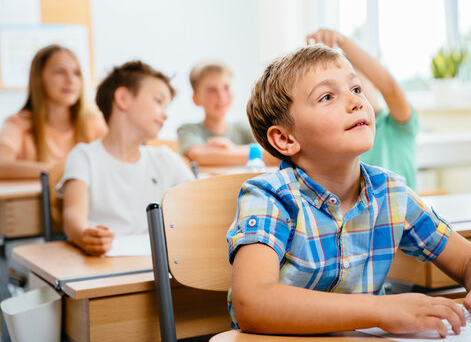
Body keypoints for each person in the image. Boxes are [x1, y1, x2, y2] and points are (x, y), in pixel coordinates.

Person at [226, 45, 471, 336]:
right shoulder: (269, 197)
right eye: (327, 96)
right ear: (285, 139)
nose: (356, 102)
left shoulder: (391, 193)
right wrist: (382, 310)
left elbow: (470, 260)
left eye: (356, 89)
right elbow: (252, 302)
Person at [57, 61, 194, 256]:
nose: (165, 115)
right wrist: (85, 235)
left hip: (158, 264)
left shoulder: (165, 158)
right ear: (122, 99)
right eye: (158, 101)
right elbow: (73, 218)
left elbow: (199, 206)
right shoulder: (84, 157)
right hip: (102, 265)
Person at [307, 29, 418, 190]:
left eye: (356, 87)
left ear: (375, 82)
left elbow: (390, 87)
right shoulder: (342, 131)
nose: (351, 97)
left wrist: (342, 41)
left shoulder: (398, 126)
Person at [0, 44, 107, 179]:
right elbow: (2, 166)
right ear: (39, 78)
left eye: (76, 73)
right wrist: (68, 170)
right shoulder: (18, 124)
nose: (70, 80)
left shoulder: (93, 122)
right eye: (60, 72)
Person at [177, 60, 276, 166]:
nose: (221, 97)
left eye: (226, 87)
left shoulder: (244, 127)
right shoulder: (188, 130)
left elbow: (273, 154)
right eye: (211, 90)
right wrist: (253, 153)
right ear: (196, 98)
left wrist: (232, 150)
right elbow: (198, 156)